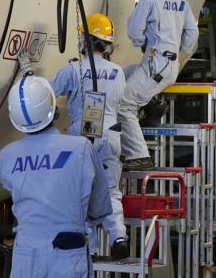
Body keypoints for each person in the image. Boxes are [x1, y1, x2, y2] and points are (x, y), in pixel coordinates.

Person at [0, 74, 113, 277]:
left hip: (25, 255)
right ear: (53, 108)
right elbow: (100, 208)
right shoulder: (81, 148)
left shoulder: (7, 155)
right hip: (66, 253)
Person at [51, 13, 129, 260]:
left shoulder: (75, 69)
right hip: (111, 136)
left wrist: (29, 75)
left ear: (87, 39)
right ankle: (119, 236)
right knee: (111, 190)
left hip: (82, 140)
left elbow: (49, 93)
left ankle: (90, 248)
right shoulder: (118, 72)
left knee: (80, 192)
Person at [118, 0, 200, 170]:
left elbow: (135, 31)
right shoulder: (182, 2)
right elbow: (192, 34)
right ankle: (152, 103)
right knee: (121, 75)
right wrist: (180, 50)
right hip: (169, 65)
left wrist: (143, 43)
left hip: (154, 65)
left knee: (124, 105)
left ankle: (139, 156)